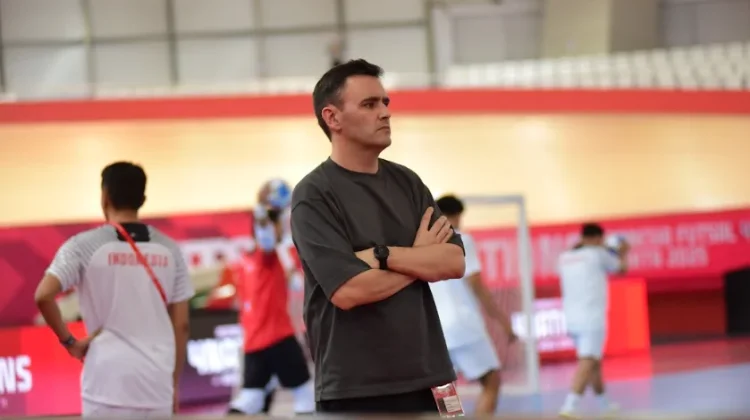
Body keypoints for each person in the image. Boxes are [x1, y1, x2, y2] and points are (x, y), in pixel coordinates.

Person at [290, 59, 467, 415]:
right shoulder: (314, 195)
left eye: (385, 103)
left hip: (433, 378)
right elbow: (349, 291)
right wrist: (419, 257)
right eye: (369, 104)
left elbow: (454, 262)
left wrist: (383, 255)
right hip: (356, 389)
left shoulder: (408, 182)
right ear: (332, 118)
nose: (385, 113)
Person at [33, 161, 194, 418]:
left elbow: (43, 295)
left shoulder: (83, 246)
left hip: (105, 385)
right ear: (142, 199)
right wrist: (172, 384)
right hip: (156, 386)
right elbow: (182, 325)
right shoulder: (171, 250)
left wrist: (70, 342)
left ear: (104, 197)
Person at [227, 188, 315, 416]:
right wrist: (263, 208)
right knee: (304, 397)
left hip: (255, 342)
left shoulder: (247, 259)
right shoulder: (265, 256)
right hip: (277, 339)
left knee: (251, 400)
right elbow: (267, 238)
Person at [428, 194, 518, 415]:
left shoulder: (422, 245)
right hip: (463, 324)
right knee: (492, 381)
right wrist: (503, 320)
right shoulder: (460, 239)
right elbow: (476, 284)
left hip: (436, 329)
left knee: (446, 389)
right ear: (456, 215)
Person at [557, 223, 630, 419]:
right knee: (588, 361)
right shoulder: (598, 254)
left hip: (571, 318)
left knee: (594, 363)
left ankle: (604, 405)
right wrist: (623, 252)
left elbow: (579, 251)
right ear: (598, 238)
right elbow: (622, 268)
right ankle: (569, 407)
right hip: (592, 318)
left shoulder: (564, 257)